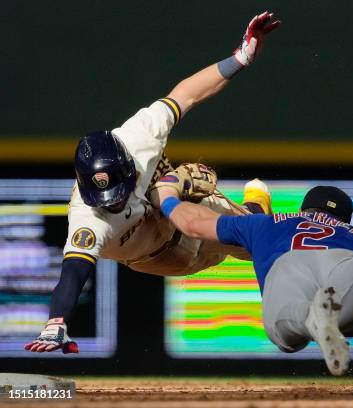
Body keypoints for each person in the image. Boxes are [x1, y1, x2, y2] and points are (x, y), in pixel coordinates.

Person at [25, 12, 281, 354]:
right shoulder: (88, 219)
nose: (112, 201)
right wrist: (55, 323)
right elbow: (72, 273)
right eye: (104, 198)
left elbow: (186, 93)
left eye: (115, 189)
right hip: (161, 255)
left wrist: (241, 57)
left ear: (126, 163)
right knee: (178, 196)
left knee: (261, 242)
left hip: (184, 208)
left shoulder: (138, 137)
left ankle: (254, 215)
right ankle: (245, 211)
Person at [153, 134, 353, 391]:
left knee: (285, 333)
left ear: (304, 210)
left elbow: (193, 224)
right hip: (345, 265)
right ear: (341, 218)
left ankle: (311, 320)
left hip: (286, 269)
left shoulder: (265, 224)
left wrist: (165, 192)